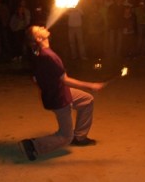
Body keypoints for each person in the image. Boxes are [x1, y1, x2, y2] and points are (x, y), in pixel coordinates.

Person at [19, 25, 106, 161]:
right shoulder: (50, 56)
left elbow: (35, 78)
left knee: (87, 100)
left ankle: (80, 137)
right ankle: (32, 145)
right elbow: (65, 80)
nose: (43, 27)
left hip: (56, 92)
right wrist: (91, 85)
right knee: (65, 137)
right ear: (39, 38)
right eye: (39, 28)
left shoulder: (38, 53)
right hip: (58, 97)